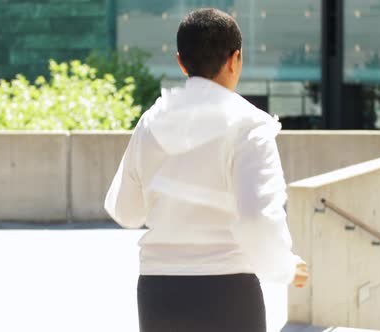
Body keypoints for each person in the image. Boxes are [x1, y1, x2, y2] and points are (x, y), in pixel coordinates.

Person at [104, 8, 308, 332]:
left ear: (181, 62)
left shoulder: (151, 122)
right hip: (228, 289)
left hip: (159, 291)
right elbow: (257, 214)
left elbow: (126, 211)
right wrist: (283, 266)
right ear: (235, 59)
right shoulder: (250, 125)